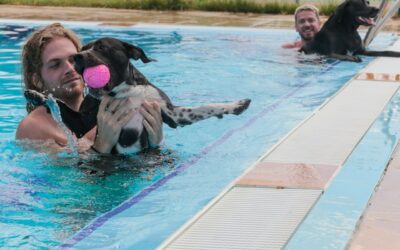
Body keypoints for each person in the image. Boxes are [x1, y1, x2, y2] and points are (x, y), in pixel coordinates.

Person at [16, 23, 163, 154]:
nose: (70, 68)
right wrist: (101, 143)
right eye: (55, 64)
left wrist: (154, 142)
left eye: (74, 59)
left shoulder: (109, 103)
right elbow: (67, 179)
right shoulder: (33, 127)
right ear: (37, 80)